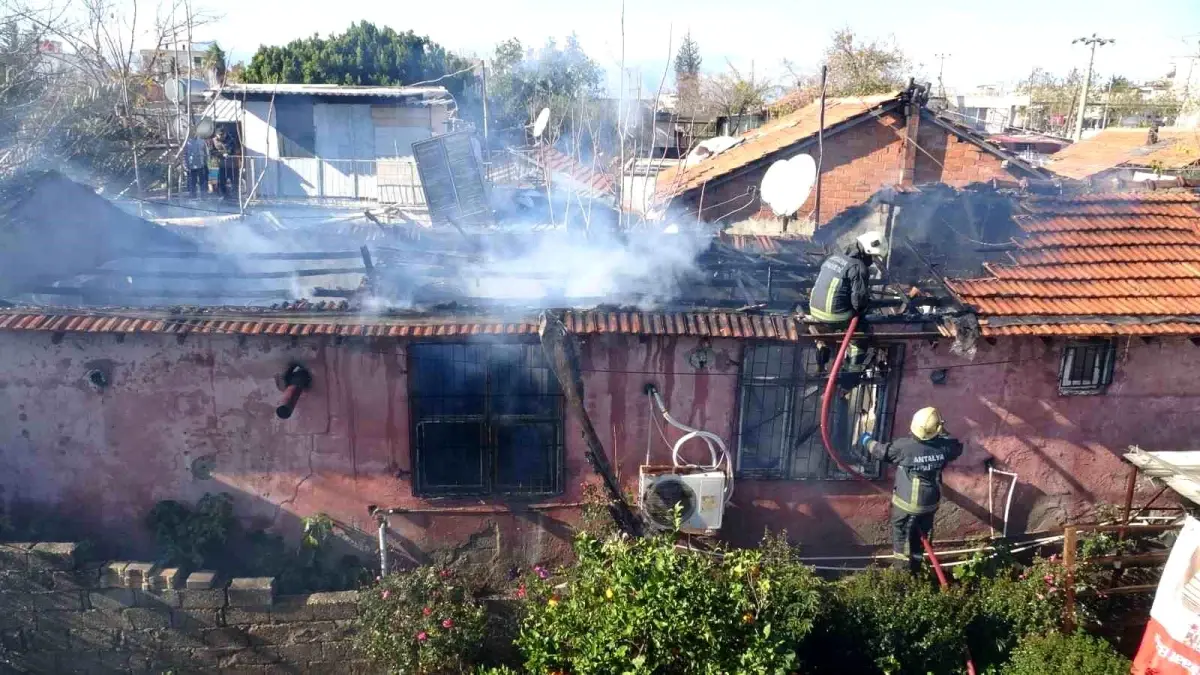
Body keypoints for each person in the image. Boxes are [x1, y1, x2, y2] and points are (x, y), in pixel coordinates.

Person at [859, 407, 964, 575]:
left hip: (907, 505)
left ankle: (901, 573)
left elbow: (880, 451)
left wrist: (865, 440)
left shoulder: (904, 447)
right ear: (937, 429)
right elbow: (957, 446)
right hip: (930, 504)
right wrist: (942, 431)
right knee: (920, 537)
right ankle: (916, 567)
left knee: (901, 537)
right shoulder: (945, 448)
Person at [807, 231, 887, 372]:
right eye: (873, 257)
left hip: (814, 310)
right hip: (835, 316)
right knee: (861, 336)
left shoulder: (834, 257)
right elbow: (859, 302)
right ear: (867, 251)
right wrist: (866, 308)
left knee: (825, 330)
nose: (872, 261)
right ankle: (851, 374)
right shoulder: (858, 266)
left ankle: (821, 352)